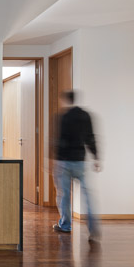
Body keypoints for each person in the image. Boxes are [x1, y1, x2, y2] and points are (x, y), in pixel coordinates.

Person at [52, 90, 101, 241]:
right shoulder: (86, 116)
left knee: (64, 195)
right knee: (87, 195)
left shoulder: (63, 117)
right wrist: (96, 157)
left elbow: (59, 141)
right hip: (80, 161)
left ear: (66, 100)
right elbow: (90, 138)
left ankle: (65, 225)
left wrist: (54, 161)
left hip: (64, 161)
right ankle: (93, 227)